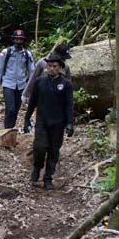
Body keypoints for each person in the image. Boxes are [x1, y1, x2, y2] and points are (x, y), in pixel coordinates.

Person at [23, 54, 74, 190]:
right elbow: (32, 102)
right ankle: (37, 167)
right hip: (42, 121)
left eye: (54, 66)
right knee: (39, 146)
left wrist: (70, 123)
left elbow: (69, 105)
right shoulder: (39, 82)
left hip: (58, 124)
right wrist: (26, 119)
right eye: (49, 66)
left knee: (53, 151)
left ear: (60, 68)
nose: (51, 69)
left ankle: (48, 178)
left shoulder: (66, 84)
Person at [0, 29, 35, 129]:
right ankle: (7, 129)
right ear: (13, 40)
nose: (18, 42)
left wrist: (31, 84)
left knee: (16, 109)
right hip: (8, 84)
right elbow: (0, 69)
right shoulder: (5, 52)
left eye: (20, 39)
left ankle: (11, 129)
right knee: (10, 108)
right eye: (16, 40)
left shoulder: (27, 54)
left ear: (23, 40)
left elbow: (32, 70)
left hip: (21, 85)